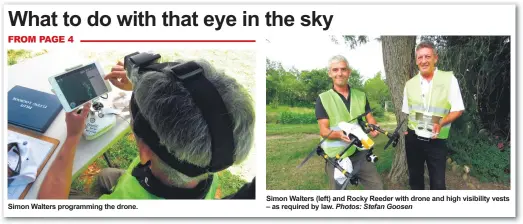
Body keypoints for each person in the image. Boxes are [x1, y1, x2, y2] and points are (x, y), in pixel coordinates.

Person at [38, 56, 255, 199]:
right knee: (106, 175)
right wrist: (140, 89)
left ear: (144, 152)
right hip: (138, 183)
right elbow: (203, 107)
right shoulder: (209, 161)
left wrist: (73, 137)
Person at [402, 42, 464, 190]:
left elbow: (458, 109)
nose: (424, 61)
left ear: (435, 58)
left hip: (436, 138)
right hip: (413, 139)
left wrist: (441, 123)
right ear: (416, 60)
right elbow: (407, 111)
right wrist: (407, 132)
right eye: (420, 57)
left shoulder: (449, 79)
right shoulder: (409, 84)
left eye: (427, 56)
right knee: (415, 181)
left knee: (438, 184)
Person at [315, 55, 383, 190]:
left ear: (349, 72)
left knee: (377, 187)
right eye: (335, 70)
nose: (339, 73)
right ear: (330, 73)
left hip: (360, 151)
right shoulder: (323, 98)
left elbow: (369, 117)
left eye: (343, 69)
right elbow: (323, 130)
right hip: (336, 155)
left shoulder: (361, 95)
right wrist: (339, 135)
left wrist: (374, 127)